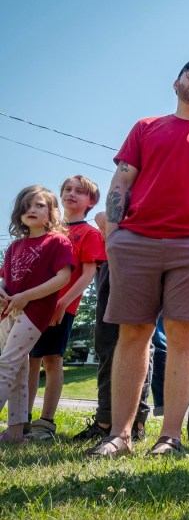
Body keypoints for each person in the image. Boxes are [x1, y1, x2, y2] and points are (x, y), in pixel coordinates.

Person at [86, 58, 189, 458]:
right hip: (135, 242)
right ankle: (119, 437)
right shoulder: (145, 127)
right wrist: (116, 236)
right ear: (175, 83)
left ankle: (169, 437)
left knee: (182, 335)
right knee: (133, 334)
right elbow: (122, 180)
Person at [25, 176, 104, 441]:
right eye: (67, 189)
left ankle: (45, 423)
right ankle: (22, 418)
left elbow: (87, 275)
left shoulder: (89, 233)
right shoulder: (46, 232)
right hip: (32, 305)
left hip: (61, 309)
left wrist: (63, 302)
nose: (71, 194)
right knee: (29, 361)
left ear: (91, 202)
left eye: (80, 192)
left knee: (52, 359)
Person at [71, 211, 153, 443]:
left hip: (145, 264)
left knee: (141, 344)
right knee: (107, 345)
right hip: (111, 268)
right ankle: (105, 421)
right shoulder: (123, 189)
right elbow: (102, 217)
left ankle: (137, 422)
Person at [0, 186, 73, 442]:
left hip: (34, 312)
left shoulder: (57, 241)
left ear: (52, 212)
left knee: (5, 363)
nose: (32, 209)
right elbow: (4, 279)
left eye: (40, 205)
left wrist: (27, 296)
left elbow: (63, 277)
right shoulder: (13, 247)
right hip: (8, 311)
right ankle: (16, 430)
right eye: (27, 206)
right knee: (19, 368)